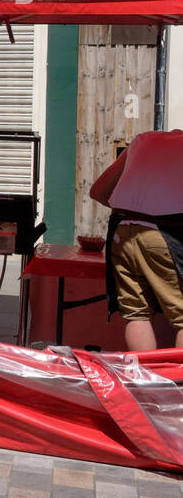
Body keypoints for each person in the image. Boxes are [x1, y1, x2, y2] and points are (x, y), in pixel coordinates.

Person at [89, 129, 183, 351]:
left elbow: (98, 192)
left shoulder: (143, 140)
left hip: (122, 231)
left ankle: (144, 381)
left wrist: (140, 213)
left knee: (136, 314)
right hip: (163, 234)